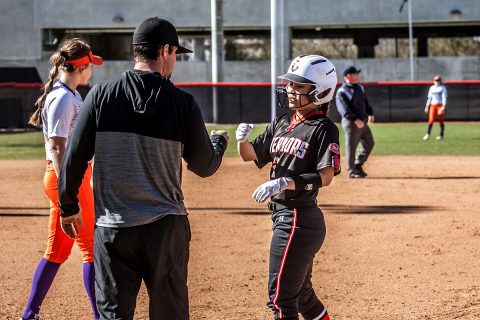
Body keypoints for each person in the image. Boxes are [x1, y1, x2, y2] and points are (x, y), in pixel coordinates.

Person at [57, 17, 228, 320]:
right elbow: (203, 166)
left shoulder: (99, 95)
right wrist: (219, 144)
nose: (174, 60)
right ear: (164, 51)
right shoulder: (182, 103)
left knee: (113, 314)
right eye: (175, 53)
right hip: (165, 227)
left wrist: (68, 205)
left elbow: (74, 156)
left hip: (113, 229)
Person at [236, 55, 340, 320]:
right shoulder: (282, 123)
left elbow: (326, 175)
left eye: (300, 86)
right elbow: (251, 155)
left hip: (298, 219)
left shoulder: (323, 127)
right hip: (285, 217)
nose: (291, 90)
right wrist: (241, 140)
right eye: (291, 84)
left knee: (281, 301)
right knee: (303, 296)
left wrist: (286, 182)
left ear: (321, 91)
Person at [22, 38, 103, 320]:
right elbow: (57, 147)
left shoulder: (68, 94)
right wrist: (69, 195)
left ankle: (29, 314)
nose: (93, 68)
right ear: (82, 67)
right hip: (67, 179)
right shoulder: (63, 98)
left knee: (56, 251)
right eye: (91, 64)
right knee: (92, 249)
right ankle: (100, 316)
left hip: (67, 178)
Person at [335, 66, 375, 178]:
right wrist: (355, 119)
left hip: (363, 122)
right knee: (351, 147)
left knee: (369, 143)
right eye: (355, 73)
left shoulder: (360, 87)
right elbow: (343, 109)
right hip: (351, 123)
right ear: (348, 75)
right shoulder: (342, 91)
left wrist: (370, 113)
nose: (357, 75)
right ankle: (351, 171)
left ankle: (357, 164)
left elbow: (365, 102)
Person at [423, 75, 448, 140]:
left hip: (440, 105)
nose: (437, 81)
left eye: (438, 80)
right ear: (433, 81)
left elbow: (444, 98)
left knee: (441, 120)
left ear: (440, 81)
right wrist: (426, 107)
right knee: (431, 120)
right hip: (433, 105)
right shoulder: (431, 88)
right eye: (436, 80)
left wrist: (443, 106)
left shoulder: (442, 88)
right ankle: (427, 134)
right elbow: (429, 98)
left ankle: (441, 135)